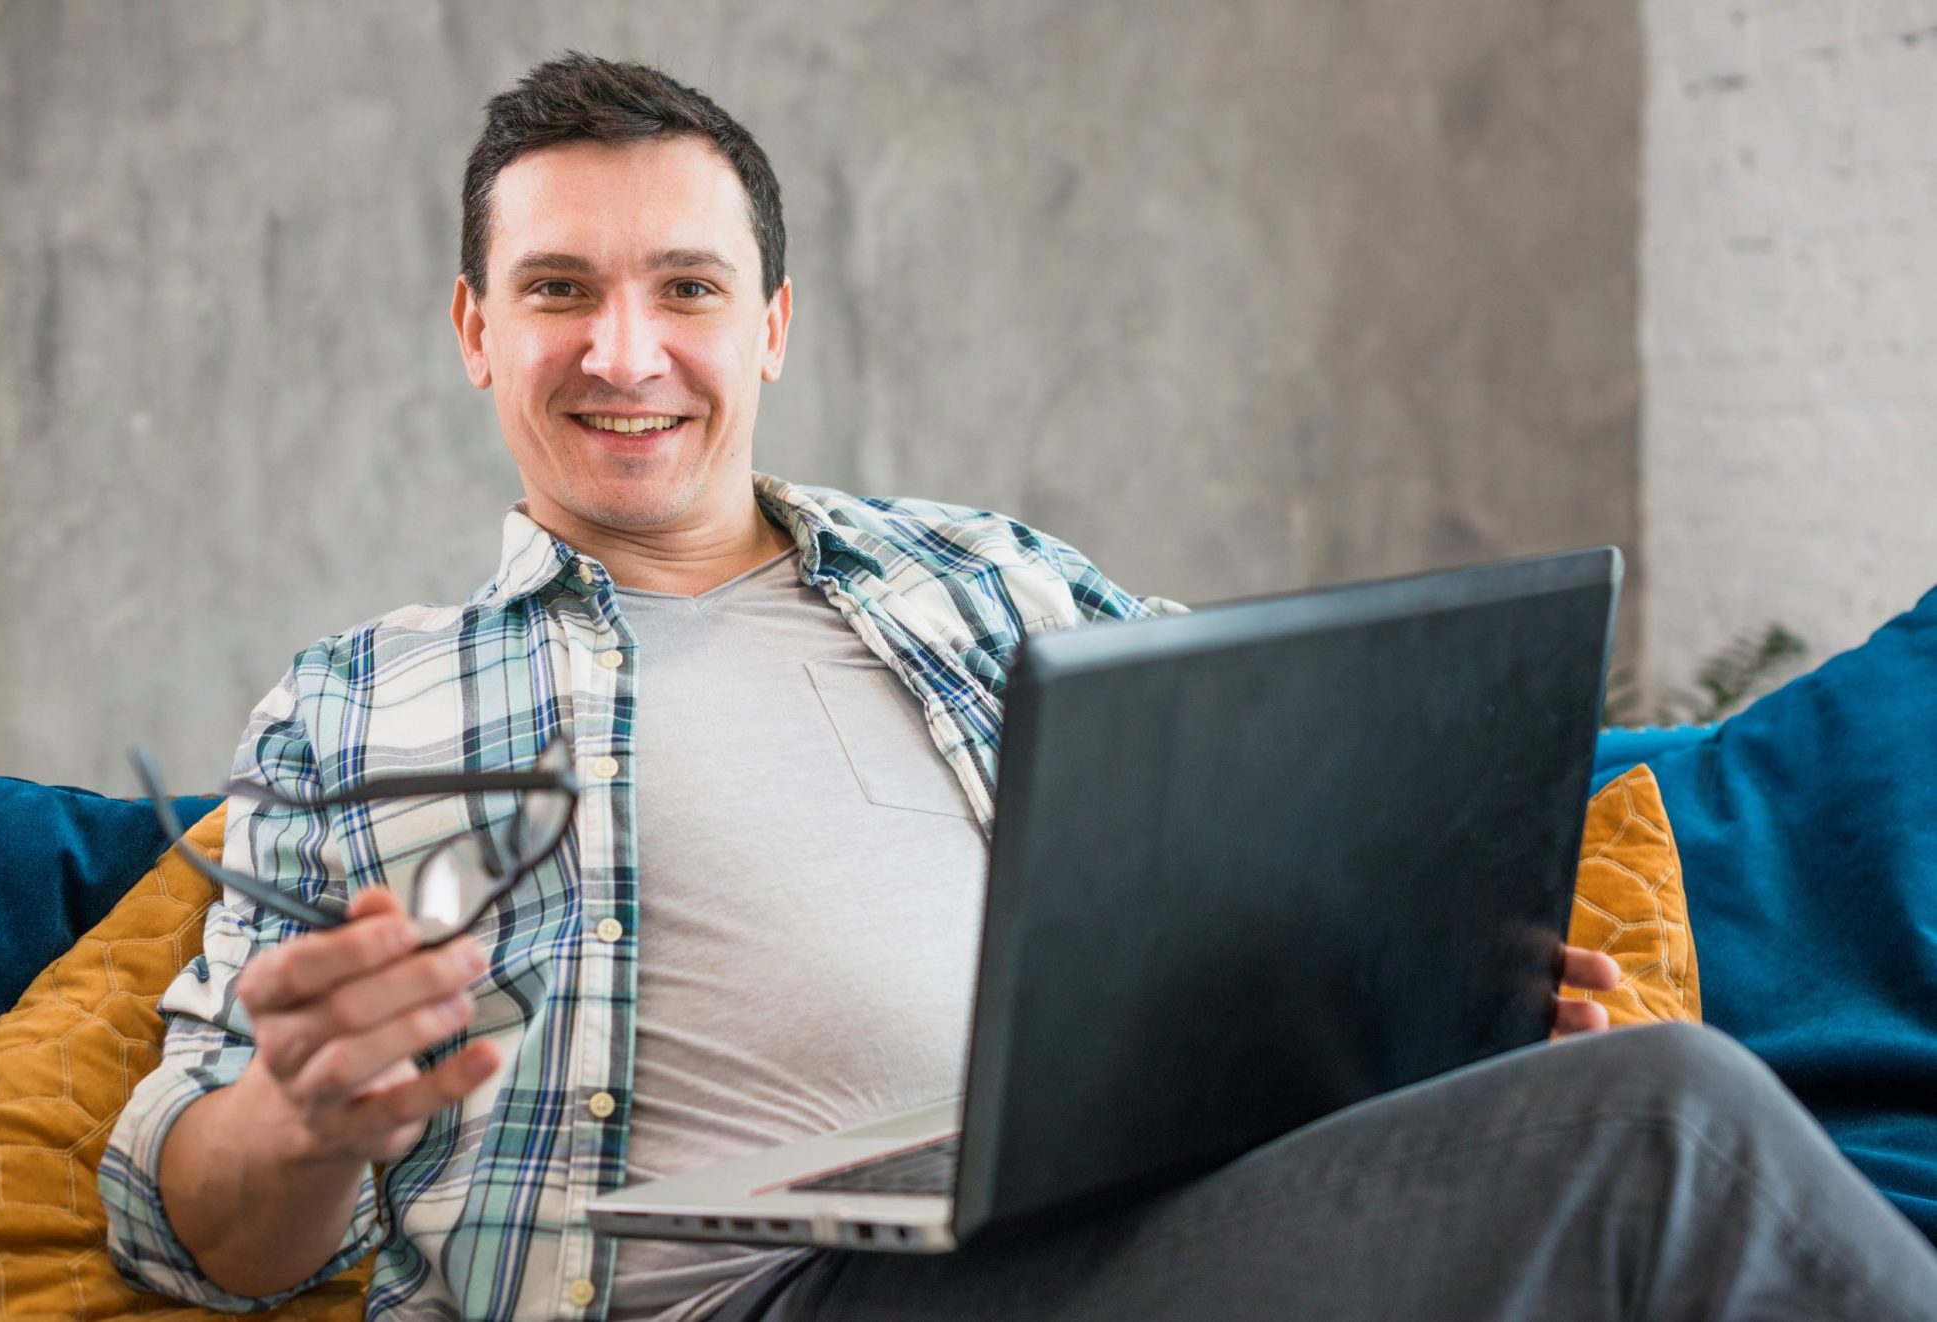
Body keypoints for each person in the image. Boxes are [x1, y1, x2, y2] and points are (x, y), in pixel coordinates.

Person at [100, 53, 1937, 1322]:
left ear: (775, 325)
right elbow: (191, 1218)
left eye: (686, 285)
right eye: (561, 288)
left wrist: (1443, 1006)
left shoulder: (989, 572)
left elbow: (1279, 840)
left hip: (1139, 1213)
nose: (627, 350)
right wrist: (305, 1117)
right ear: (474, 328)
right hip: (763, 1295)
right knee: (1669, 1130)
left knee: (1609, 1127)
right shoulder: (371, 706)